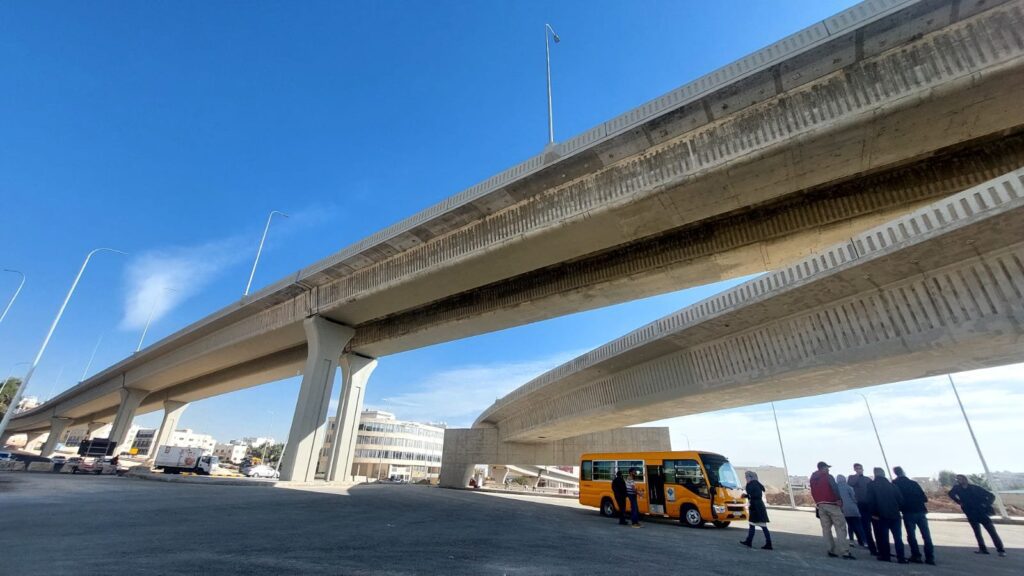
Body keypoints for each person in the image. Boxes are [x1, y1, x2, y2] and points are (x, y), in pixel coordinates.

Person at [949, 474, 1006, 557]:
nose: (959, 481)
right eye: (958, 479)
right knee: (977, 532)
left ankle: (1001, 550)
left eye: (961, 479)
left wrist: (985, 504)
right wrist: (959, 501)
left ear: (966, 479)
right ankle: (982, 549)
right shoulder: (957, 489)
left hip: (981, 513)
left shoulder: (975, 488)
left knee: (992, 532)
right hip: (970, 513)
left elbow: (991, 496)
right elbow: (950, 494)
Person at [810, 461, 855, 559]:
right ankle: (845, 551)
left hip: (820, 505)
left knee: (826, 529)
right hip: (832, 504)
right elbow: (834, 488)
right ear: (822, 468)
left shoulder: (813, 479)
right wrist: (839, 500)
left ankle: (831, 550)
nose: (828, 469)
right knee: (840, 528)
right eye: (827, 468)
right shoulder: (828, 477)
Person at [893, 466, 935, 565]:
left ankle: (916, 556)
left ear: (895, 473)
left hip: (908, 512)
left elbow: (897, 499)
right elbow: (924, 498)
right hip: (920, 511)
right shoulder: (913, 483)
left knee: (911, 536)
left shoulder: (895, 484)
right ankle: (930, 558)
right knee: (926, 536)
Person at [866, 467, 907, 564]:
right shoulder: (893, 485)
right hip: (895, 515)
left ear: (875, 474)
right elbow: (901, 501)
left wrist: (873, 514)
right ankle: (901, 558)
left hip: (881, 515)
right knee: (898, 537)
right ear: (884, 474)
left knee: (884, 537)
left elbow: (871, 501)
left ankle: (886, 556)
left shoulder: (871, 485)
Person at [846, 463, 878, 555]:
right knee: (856, 524)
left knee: (867, 525)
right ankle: (859, 540)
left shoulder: (867, 479)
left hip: (867, 505)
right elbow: (850, 484)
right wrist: (857, 475)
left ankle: (867, 541)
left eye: (860, 468)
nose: (859, 470)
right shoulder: (852, 478)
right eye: (857, 468)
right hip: (857, 504)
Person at [740, 470, 772, 550]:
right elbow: (755, 494)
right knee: (755, 525)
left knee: (758, 526)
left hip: (756, 508)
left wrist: (746, 495)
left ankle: (767, 544)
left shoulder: (752, 484)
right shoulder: (756, 484)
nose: (746, 478)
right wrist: (747, 496)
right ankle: (750, 541)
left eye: (747, 477)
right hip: (758, 507)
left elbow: (755, 495)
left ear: (751, 477)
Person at [836, 474, 867, 547]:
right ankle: (864, 541)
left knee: (850, 526)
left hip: (843, 510)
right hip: (853, 509)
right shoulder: (849, 487)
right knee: (859, 525)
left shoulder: (836, 489)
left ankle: (851, 541)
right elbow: (854, 498)